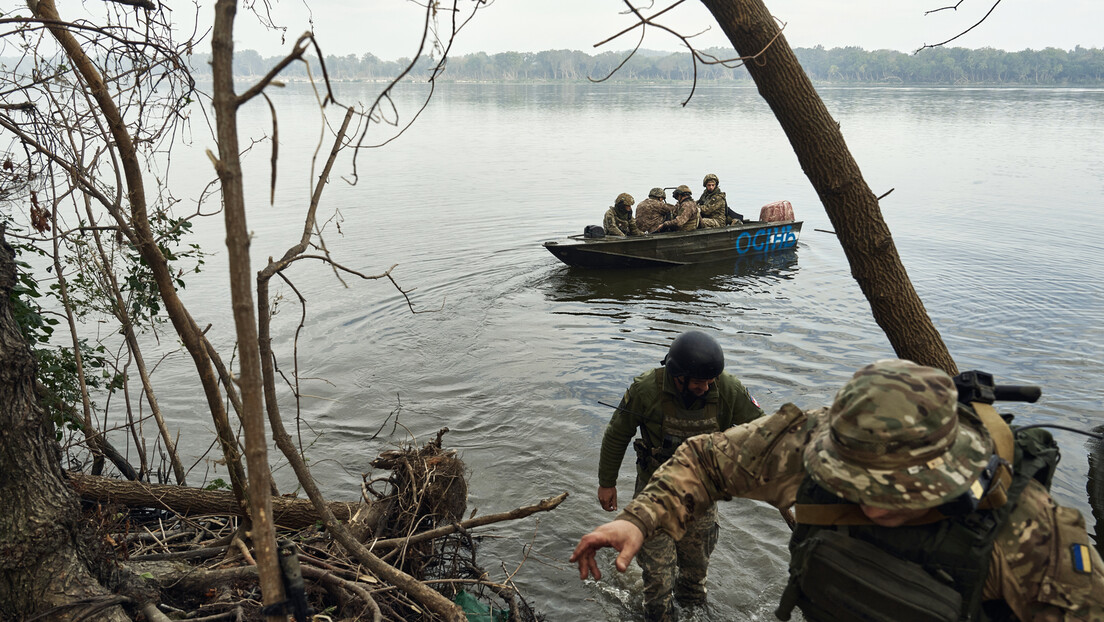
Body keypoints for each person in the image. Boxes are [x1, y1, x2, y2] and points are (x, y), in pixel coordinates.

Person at [573, 359, 1104, 621]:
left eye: (896, 492)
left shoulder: (1037, 544)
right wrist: (637, 519)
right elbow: (705, 459)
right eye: (848, 484)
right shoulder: (804, 442)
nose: (869, 505)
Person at [597, 331, 764, 621]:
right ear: (678, 375)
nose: (706, 387)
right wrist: (607, 482)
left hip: (701, 499)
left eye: (710, 381)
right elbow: (617, 434)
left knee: (693, 580)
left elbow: (765, 431)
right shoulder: (647, 389)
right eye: (699, 382)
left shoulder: (728, 389)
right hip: (653, 497)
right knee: (658, 583)